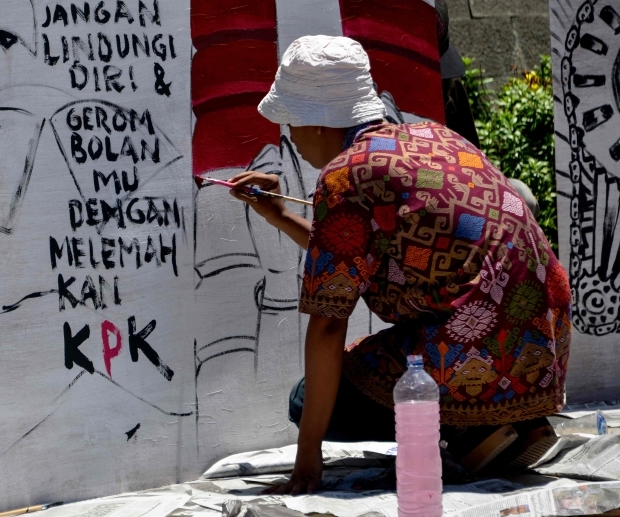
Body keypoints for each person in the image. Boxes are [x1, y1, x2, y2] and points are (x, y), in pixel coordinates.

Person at [228, 35, 570, 494]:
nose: (288, 138)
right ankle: (518, 420)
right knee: (466, 315)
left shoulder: (344, 175)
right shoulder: (437, 137)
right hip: (540, 345)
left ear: (317, 121)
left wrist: (308, 457)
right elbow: (351, 263)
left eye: (289, 124)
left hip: (477, 350)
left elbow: (328, 323)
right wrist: (283, 217)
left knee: (304, 400)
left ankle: (471, 431)